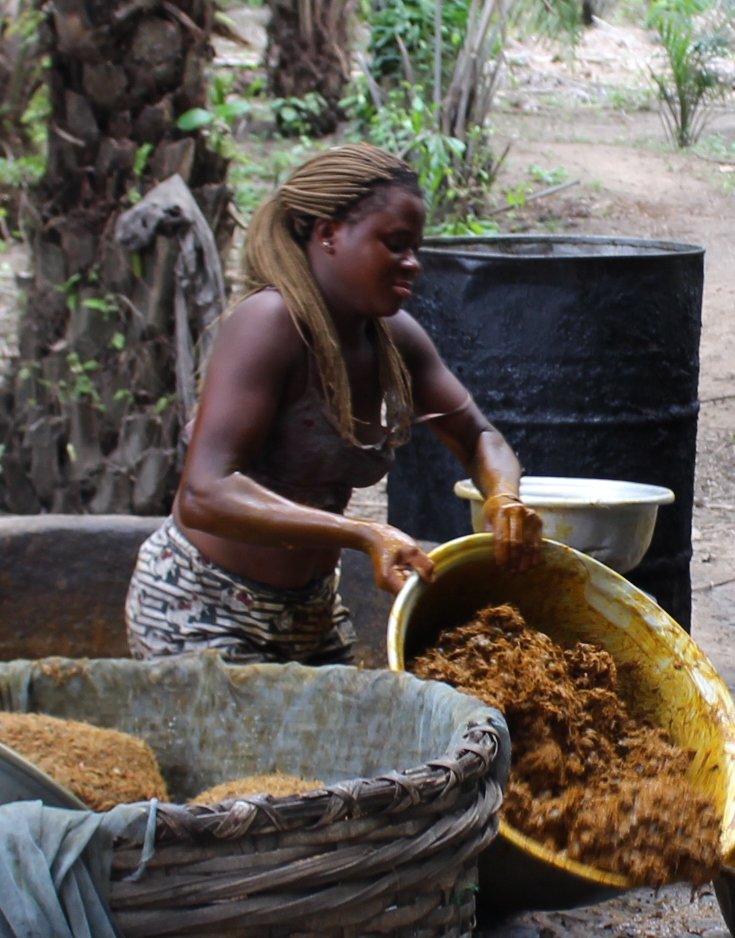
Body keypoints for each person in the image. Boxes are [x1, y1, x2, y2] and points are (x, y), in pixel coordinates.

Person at [126, 144, 540, 665]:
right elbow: (204, 494)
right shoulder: (269, 323)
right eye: (394, 244)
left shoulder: (394, 338)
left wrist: (502, 496)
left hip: (309, 609)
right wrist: (362, 533)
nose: (411, 263)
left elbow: (479, 436)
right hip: (205, 609)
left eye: (416, 247)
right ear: (328, 234)